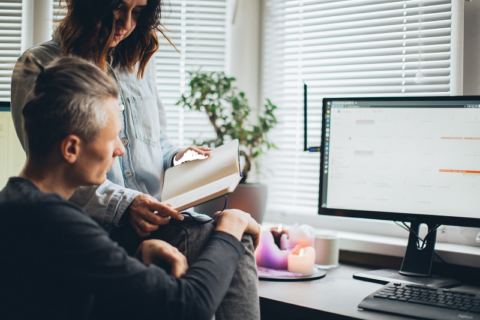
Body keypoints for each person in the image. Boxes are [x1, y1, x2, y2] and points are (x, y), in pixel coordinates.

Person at [10, 1, 260, 319]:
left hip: (154, 224)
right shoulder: (41, 65)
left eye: (138, 12)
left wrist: (186, 157)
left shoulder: (138, 61)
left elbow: (158, 143)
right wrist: (127, 204)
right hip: (104, 225)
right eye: (117, 7)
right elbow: (52, 163)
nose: (126, 23)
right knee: (224, 240)